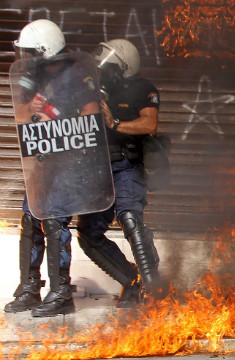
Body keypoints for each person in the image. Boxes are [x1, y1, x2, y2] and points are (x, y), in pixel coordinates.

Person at [4, 19, 101, 317]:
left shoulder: (78, 74)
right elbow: (19, 111)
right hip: (42, 161)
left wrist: (60, 126)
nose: (27, 58)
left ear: (45, 50)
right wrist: (31, 110)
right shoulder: (32, 75)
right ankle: (30, 288)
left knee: (55, 223)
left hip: (69, 162)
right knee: (31, 218)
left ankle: (60, 294)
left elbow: (91, 114)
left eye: (31, 52)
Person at [76, 39, 164, 307]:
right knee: (89, 234)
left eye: (109, 68)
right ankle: (133, 282)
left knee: (130, 219)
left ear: (124, 68)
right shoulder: (94, 90)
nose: (103, 73)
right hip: (98, 169)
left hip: (127, 165)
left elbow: (150, 124)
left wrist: (114, 123)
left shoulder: (143, 89)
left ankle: (153, 291)